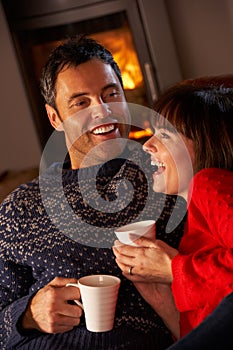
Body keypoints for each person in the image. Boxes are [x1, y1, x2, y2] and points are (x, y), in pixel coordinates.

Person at [0, 35, 187, 349]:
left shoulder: (165, 175)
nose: (102, 111)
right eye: (81, 102)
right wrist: (27, 315)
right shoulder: (20, 208)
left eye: (110, 94)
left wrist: (175, 269)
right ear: (55, 118)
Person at [113, 82, 233, 340]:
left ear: (205, 144)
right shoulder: (193, 222)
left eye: (165, 135)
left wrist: (173, 270)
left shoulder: (210, 183)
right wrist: (159, 292)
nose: (147, 145)